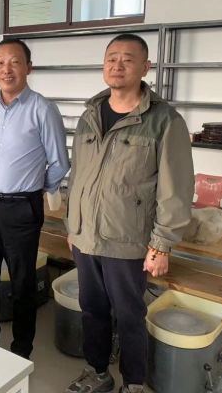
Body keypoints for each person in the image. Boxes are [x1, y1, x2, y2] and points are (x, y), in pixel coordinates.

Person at [64, 34, 194, 393]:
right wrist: (72, 225)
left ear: (145, 67)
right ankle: (97, 373)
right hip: (86, 235)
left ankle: (133, 383)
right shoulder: (90, 115)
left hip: (129, 240)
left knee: (130, 314)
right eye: (111, 58)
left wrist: (162, 245)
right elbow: (78, 175)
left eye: (127, 59)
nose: (117, 65)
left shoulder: (164, 120)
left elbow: (176, 189)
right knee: (91, 308)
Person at [0, 38, 70, 359]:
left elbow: (60, 163)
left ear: (29, 67)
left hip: (20, 210)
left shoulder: (43, 109)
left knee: (22, 284)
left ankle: (20, 352)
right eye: (0, 62)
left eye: (14, 62)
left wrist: (32, 190)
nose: (6, 69)